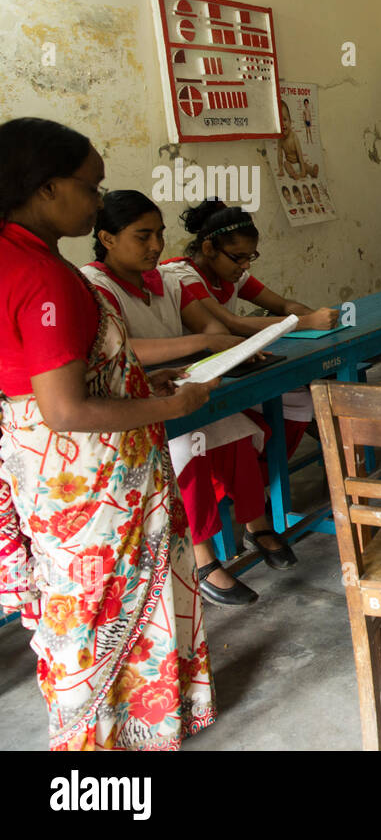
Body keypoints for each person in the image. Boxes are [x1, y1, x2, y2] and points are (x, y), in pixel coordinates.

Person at [0, 117, 216, 749]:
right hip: (90, 478)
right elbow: (66, 408)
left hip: (44, 465)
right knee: (103, 603)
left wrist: (137, 383)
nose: (98, 201)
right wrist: (172, 405)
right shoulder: (44, 277)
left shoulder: (18, 255)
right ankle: (102, 738)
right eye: (91, 187)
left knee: (83, 601)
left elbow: (44, 379)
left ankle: (121, 726)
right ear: (46, 188)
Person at [82, 191, 293, 605]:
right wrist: (203, 342)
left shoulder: (164, 280)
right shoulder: (94, 287)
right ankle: (202, 557)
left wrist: (222, 345)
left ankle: (256, 524)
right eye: (143, 236)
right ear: (107, 239)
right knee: (187, 449)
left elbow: (210, 328)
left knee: (234, 432)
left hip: (179, 384)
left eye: (159, 234)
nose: (156, 245)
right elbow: (122, 349)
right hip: (134, 402)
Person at [160, 197, 336, 487]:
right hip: (197, 373)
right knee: (294, 399)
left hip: (228, 362)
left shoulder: (232, 275)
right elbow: (232, 324)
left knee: (303, 395)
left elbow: (282, 304)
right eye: (238, 257)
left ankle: (263, 479)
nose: (244, 266)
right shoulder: (183, 275)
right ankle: (256, 482)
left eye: (250, 257)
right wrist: (305, 322)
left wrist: (313, 314)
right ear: (208, 248)